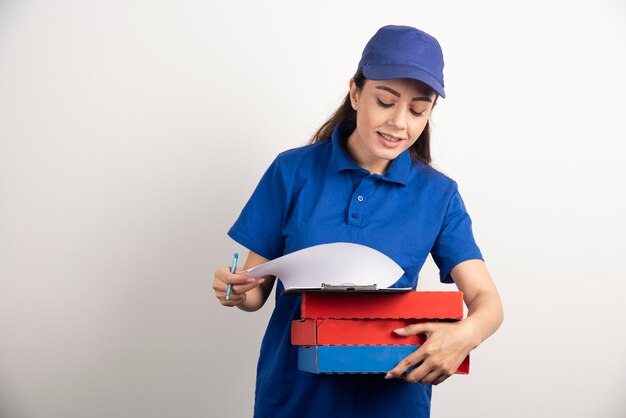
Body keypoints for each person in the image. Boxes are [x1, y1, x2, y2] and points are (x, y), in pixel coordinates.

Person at [212, 25, 503, 418]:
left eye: (418, 109)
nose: (400, 122)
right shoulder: (291, 171)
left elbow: (488, 303)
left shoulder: (439, 195)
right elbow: (254, 292)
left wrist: (464, 337)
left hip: (392, 400)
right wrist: (235, 291)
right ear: (355, 92)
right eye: (386, 101)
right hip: (293, 397)